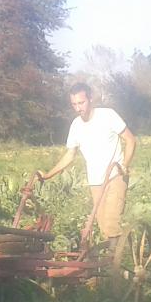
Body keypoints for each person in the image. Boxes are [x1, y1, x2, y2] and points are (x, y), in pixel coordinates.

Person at [37, 83, 138, 254]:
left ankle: (119, 264)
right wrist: (48, 175)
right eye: (74, 104)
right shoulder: (76, 126)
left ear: (90, 99)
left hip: (115, 176)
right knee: (102, 225)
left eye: (81, 103)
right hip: (95, 181)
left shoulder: (107, 116)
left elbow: (130, 140)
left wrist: (124, 165)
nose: (78, 108)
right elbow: (70, 155)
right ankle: (116, 263)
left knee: (111, 221)